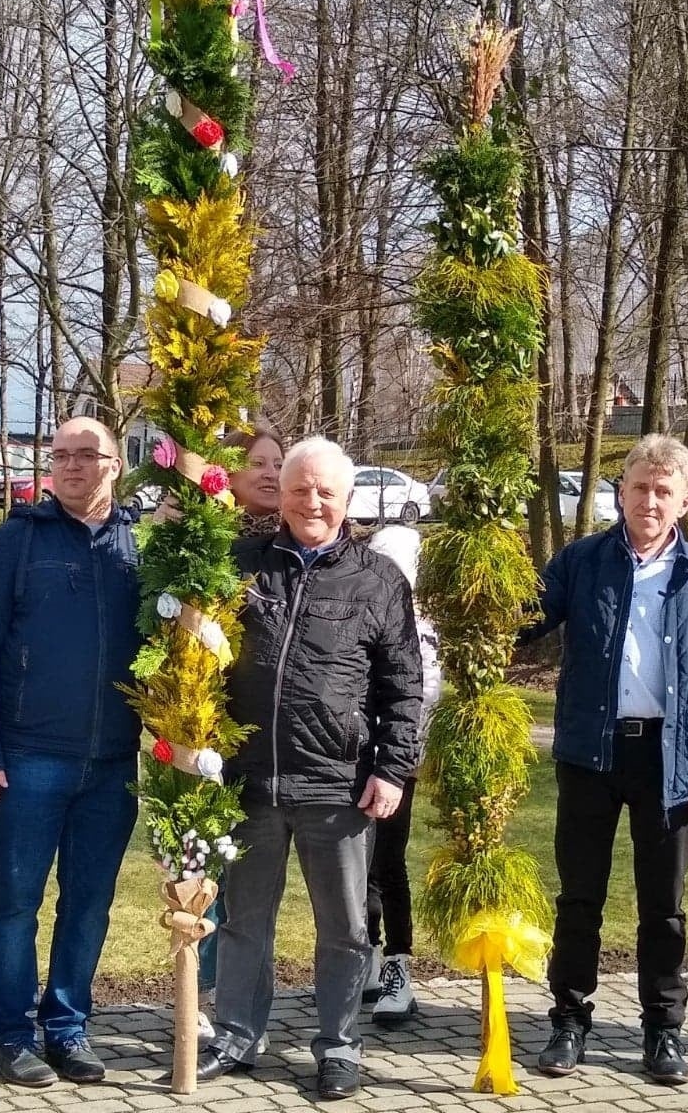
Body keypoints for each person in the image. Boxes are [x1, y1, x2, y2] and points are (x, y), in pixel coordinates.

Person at [196, 436, 422, 1100]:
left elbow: (404, 685)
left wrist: (393, 768)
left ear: (348, 499)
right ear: (281, 496)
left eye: (326, 491)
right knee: (243, 921)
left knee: (346, 929)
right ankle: (237, 1034)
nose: (312, 501)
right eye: (300, 489)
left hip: (339, 784)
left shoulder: (377, 579)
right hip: (251, 779)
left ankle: (340, 1045)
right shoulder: (243, 566)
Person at [522, 433, 688, 1086]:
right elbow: (525, 616)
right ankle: (569, 1017)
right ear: (621, 493)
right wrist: (480, 595)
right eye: (639, 488)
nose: (649, 500)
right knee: (579, 895)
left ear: (684, 502)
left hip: (669, 761)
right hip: (591, 751)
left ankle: (663, 1029)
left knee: (663, 905)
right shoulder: (583, 562)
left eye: (663, 491)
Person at [0, 417, 144, 1088]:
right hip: (30, 754)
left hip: (113, 763)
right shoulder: (16, 541)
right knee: (16, 899)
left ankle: (67, 1028)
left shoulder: (140, 546)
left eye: (85, 455)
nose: (70, 466)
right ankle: (10, 1035)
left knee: (89, 901)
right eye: (59, 455)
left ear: (115, 463)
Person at [198, 426, 285, 1044]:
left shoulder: (296, 542)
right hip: (210, 729)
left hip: (276, 742)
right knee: (210, 873)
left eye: (279, 462)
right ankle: (205, 994)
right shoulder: (210, 544)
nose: (272, 474)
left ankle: (245, 1002)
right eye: (258, 463)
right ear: (227, 472)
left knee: (254, 886)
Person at [361, 525, 441, 1024]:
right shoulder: (361, 602)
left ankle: (398, 966)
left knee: (388, 863)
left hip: (396, 762)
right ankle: (364, 958)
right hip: (346, 757)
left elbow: (422, 695)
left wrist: (400, 759)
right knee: (356, 867)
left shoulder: (424, 627)